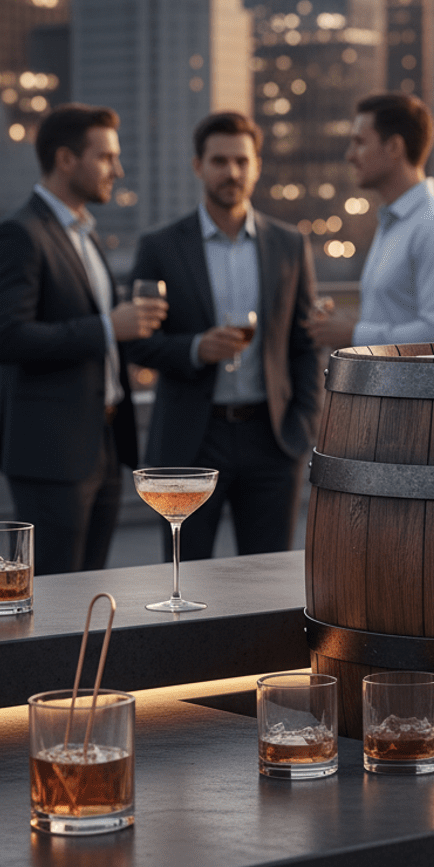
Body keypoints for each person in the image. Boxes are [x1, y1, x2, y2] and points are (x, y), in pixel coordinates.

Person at [0, 104, 168, 574]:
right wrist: (109, 327)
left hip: (101, 443)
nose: (118, 170)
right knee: (53, 597)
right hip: (50, 452)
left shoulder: (84, 235)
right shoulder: (18, 234)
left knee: (84, 591)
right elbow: (8, 339)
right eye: (106, 157)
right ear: (66, 159)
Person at [127, 111, 322, 561]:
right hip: (191, 439)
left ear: (256, 165)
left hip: (272, 438)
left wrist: (303, 423)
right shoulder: (160, 247)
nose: (231, 172)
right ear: (198, 165)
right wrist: (196, 348)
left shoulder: (290, 244)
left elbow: (305, 342)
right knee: (185, 573)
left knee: (268, 578)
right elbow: (135, 343)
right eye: (219, 161)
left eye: (241, 160)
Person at [307, 93, 434, 349]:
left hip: (421, 390)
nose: (350, 155)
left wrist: (354, 335)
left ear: (394, 147)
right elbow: (395, 316)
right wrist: (345, 325)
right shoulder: (396, 222)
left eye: (360, 142)